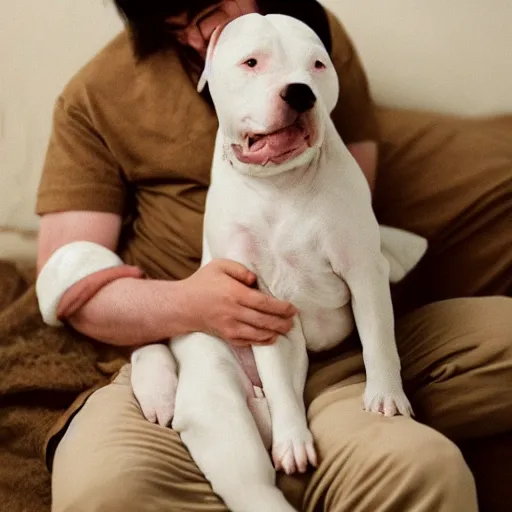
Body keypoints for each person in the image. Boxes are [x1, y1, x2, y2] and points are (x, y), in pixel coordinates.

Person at [35, 1, 511, 511]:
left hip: (330, 334)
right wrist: (183, 313)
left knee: (425, 474)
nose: (198, 37)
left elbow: (351, 203)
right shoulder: (96, 93)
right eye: (171, 24)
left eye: (210, 9)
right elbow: (68, 276)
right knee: (105, 493)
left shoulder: (307, 35)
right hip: (192, 344)